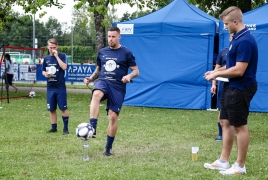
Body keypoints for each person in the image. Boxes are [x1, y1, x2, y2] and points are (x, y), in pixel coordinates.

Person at [204, 6, 258, 175]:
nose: (225, 27)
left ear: (236, 22)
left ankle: (240, 166)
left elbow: (239, 70)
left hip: (240, 88)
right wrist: (216, 72)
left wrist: (218, 73)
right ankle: (223, 161)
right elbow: (232, 65)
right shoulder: (236, 39)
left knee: (240, 126)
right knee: (225, 122)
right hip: (230, 86)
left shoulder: (245, 41)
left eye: (227, 24)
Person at [84, 26, 139, 156]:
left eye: (113, 36)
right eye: (109, 36)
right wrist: (91, 78)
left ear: (119, 37)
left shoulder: (126, 52)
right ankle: (93, 127)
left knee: (113, 117)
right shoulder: (102, 52)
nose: (110, 39)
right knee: (96, 94)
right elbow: (98, 70)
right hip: (103, 81)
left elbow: (136, 71)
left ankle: (108, 148)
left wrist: (128, 76)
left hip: (118, 87)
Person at [42, 38, 70, 135]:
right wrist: (45, 73)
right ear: (47, 47)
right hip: (50, 87)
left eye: (54, 47)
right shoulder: (46, 58)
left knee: (63, 108)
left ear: (57, 47)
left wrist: (57, 56)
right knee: (52, 108)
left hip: (60, 87)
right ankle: (54, 127)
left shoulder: (62, 56)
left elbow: (64, 67)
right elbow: (43, 70)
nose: (52, 49)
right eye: (50, 47)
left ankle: (65, 128)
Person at [211, 33, 233, 142]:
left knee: (233, 109)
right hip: (223, 86)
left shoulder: (239, 51)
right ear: (229, 38)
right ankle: (221, 134)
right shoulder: (223, 52)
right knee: (222, 109)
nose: (233, 38)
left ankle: (232, 132)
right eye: (232, 36)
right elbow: (217, 70)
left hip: (236, 85)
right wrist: (214, 84)